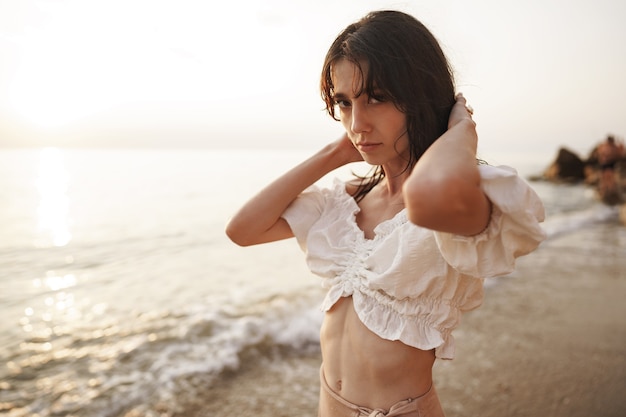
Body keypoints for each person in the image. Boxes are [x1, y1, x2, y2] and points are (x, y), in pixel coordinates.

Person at [226, 10, 546, 417]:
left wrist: (460, 131)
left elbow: (426, 197)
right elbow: (243, 229)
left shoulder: (463, 198)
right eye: (344, 102)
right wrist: (336, 151)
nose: (357, 122)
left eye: (376, 98)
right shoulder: (347, 201)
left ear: (418, 96)